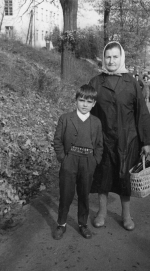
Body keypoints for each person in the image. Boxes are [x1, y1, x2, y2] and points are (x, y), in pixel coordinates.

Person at [89, 41, 150, 231]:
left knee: (125, 178)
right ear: (104, 58)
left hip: (128, 140)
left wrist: (146, 141)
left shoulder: (131, 83)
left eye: (115, 57)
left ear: (121, 58)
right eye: (108, 57)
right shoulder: (95, 82)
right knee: (103, 177)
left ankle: (126, 216)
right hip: (102, 140)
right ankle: (101, 213)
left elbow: (141, 112)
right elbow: (86, 111)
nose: (111, 60)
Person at [53, 84, 103, 240]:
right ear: (76, 101)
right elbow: (57, 140)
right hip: (70, 160)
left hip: (88, 161)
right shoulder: (66, 118)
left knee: (84, 195)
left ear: (94, 104)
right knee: (66, 194)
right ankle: (61, 224)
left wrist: (95, 161)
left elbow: (100, 145)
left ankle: (83, 224)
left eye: (89, 102)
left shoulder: (96, 122)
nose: (85, 104)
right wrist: (63, 158)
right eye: (81, 100)